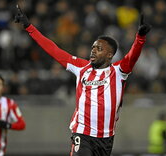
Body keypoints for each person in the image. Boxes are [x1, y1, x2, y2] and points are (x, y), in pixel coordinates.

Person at [14, 5, 151, 156]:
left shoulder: (118, 71)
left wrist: (140, 38)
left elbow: (132, 57)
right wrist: (29, 27)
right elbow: (53, 49)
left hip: (106, 138)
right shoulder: (81, 67)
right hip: (82, 133)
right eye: (93, 47)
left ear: (110, 55)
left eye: (99, 48)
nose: (93, 50)